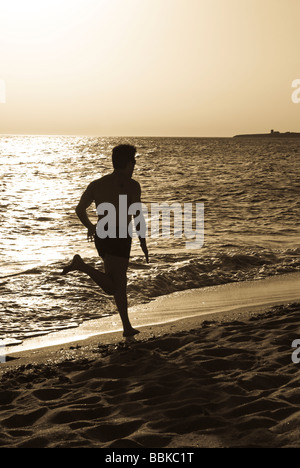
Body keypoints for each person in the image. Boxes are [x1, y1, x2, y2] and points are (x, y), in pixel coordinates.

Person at [62, 144, 149, 338]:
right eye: (133, 161)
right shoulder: (133, 185)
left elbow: (79, 209)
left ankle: (127, 327)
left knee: (119, 281)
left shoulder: (97, 184)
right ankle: (81, 265)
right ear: (128, 163)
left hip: (103, 234)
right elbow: (137, 216)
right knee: (115, 286)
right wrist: (143, 242)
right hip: (119, 237)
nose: (135, 164)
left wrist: (91, 227)